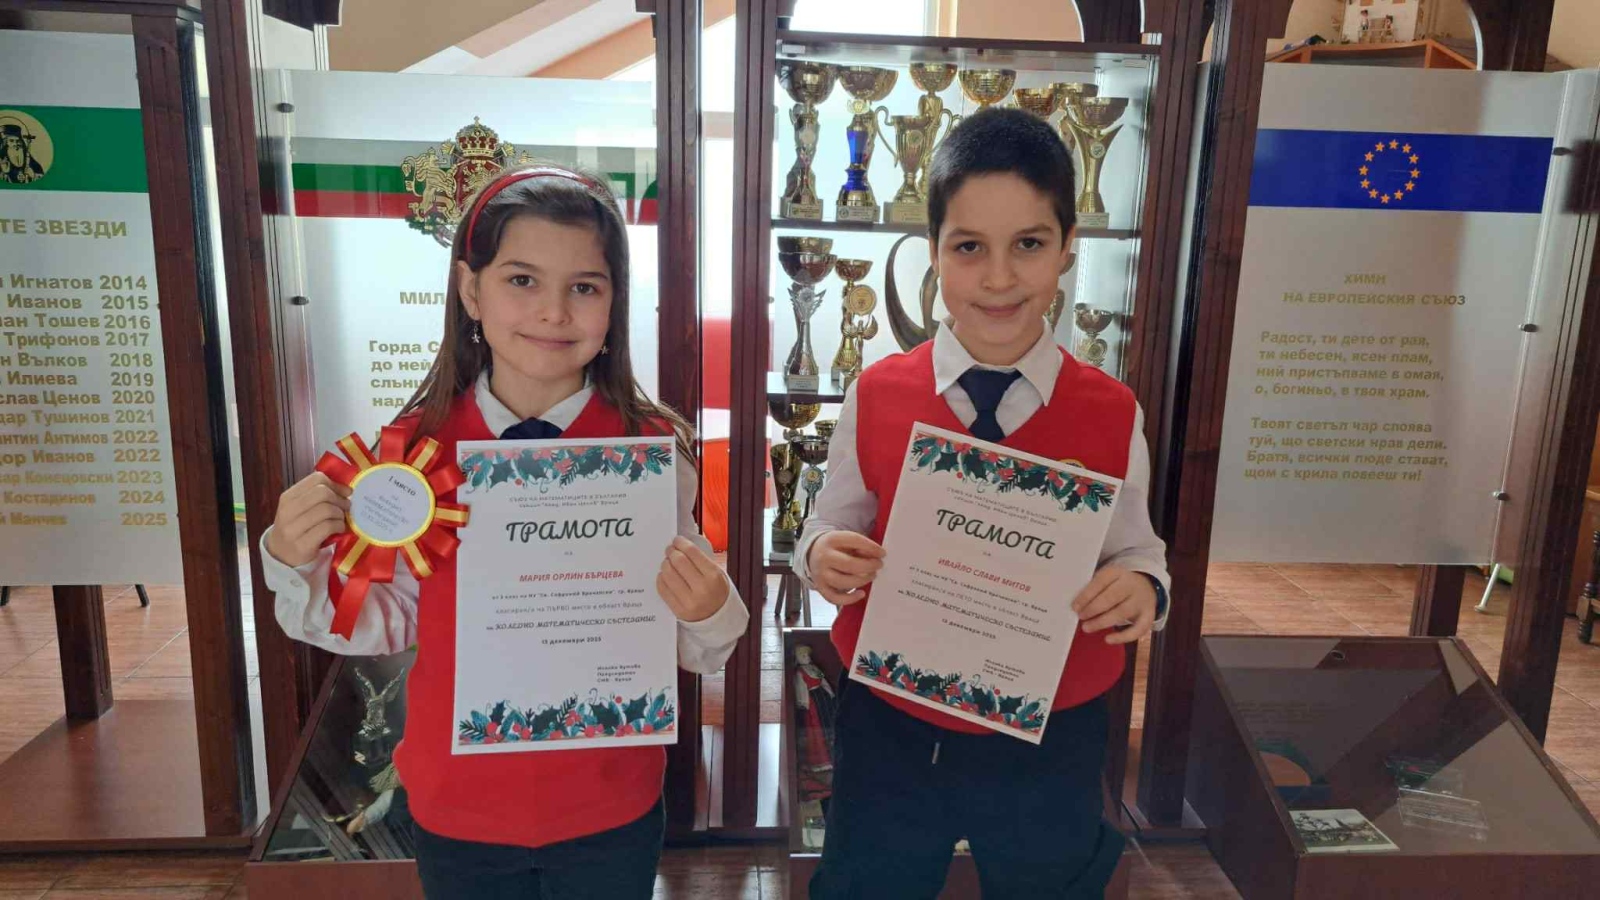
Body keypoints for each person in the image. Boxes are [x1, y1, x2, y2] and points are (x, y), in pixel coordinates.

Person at [261, 164, 749, 900]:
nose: (553, 311)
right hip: (459, 804)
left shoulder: (649, 452)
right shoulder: (411, 455)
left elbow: (688, 638)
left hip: (609, 802)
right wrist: (293, 558)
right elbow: (381, 621)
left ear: (614, 303)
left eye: (585, 287)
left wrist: (709, 609)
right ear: (470, 291)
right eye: (522, 280)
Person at [797, 108, 1171, 899]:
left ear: (1068, 248)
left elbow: (1138, 549)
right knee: (871, 883)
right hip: (894, 720)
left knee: (1048, 883)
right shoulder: (879, 393)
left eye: (1028, 244)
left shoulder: (1112, 410)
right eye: (969, 247)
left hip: (1053, 728)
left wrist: (1142, 587)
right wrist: (822, 554)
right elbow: (831, 521)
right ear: (934, 251)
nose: (999, 278)